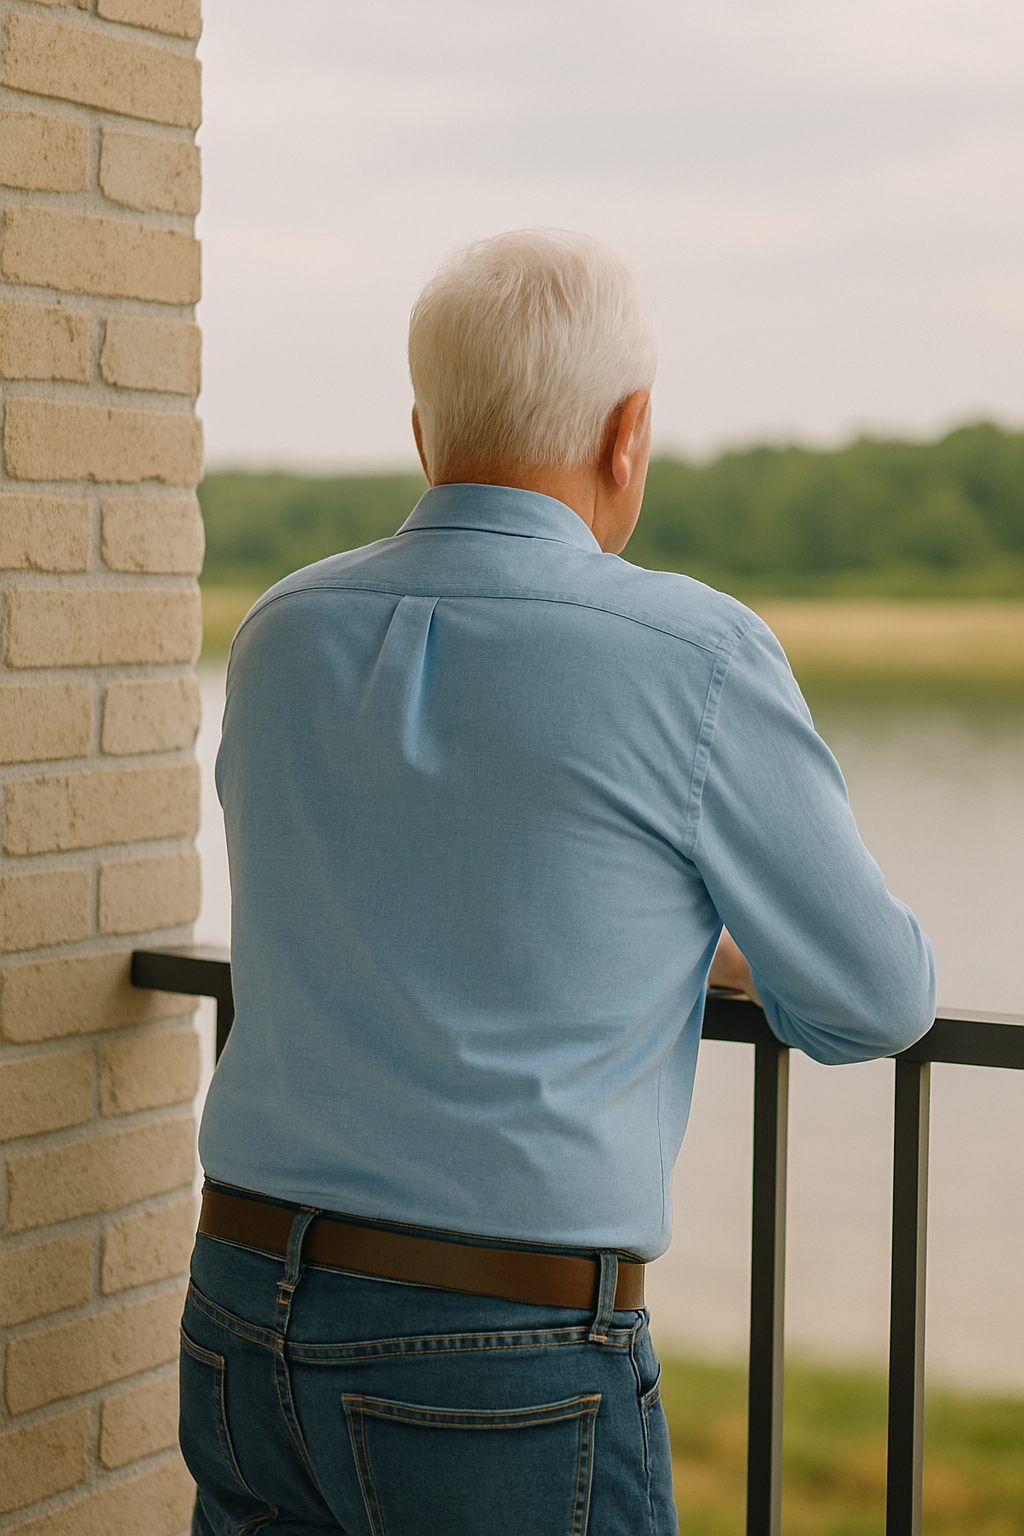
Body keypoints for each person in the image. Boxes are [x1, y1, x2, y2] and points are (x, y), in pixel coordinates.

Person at [181, 229, 934, 1536]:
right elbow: (880, 998)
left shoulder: (281, 630)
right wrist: (708, 952)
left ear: (424, 432)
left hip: (241, 1307)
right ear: (628, 434)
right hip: (498, 1349)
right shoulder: (691, 655)